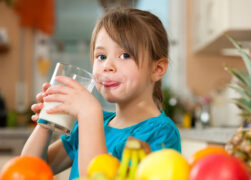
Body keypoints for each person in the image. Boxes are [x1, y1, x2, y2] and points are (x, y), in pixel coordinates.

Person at [22, 8, 181, 179]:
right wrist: (46, 124)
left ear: (157, 69)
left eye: (125, 55)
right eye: (101, 56)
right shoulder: (93, 123)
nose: (107, 66)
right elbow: (29, 170)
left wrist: (89, 114)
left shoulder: (162, 133)